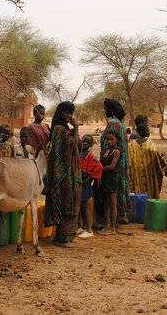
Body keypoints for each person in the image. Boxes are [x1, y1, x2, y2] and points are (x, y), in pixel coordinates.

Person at [44, 101, 81, 247]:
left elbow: (77, 143)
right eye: (67, 112)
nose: (69, 115)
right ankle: (63, 238)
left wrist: (74, 129)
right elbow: (72, 144)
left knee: (69, 200)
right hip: (64, 174)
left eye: (71, 113)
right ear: (61, 113)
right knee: (67, 201)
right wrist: (76, 127)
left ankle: (63, 236)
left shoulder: (63, 128)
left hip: (69, 171)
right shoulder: (59, 129)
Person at [100, 98, 129, 225]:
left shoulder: (113, 123)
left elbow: (107, 143)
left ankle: (111, 222)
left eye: (106, 109)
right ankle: (120, 215)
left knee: (111, 194)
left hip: (112, 162)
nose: (104, 111)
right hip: (121, 162)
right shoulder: (122, 123)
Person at [128, 123, 165, 200]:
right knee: (149, 198)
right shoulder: (150, 144)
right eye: (147, 130)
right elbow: (158, 161)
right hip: (148, 178)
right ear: (143, 131)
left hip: (135, 177)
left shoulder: (131, 145)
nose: (149, 132)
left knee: (136, 199)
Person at [77, 134, 103, 239]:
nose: (84, 143)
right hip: (79, 183)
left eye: (87, 142)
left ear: (91, 144)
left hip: (85, 184)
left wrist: (90, 178)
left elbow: (99, 167)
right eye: (83, 141)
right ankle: (83, 227)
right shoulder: (79, 154)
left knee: (85, 206)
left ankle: (89, 229)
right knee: (81, 206)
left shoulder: (90, 156)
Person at [99, 129, 121, 235]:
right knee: (106, 203)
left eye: (112, 139)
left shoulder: (116, 152)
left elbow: (112, 166)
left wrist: (99, 169)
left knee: (112, 204)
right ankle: (107, 225)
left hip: (112, 179)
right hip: (105, 179)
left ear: (117, 140)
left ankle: (112, 228)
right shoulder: (105, 150)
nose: (109, 141)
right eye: (107, 139)